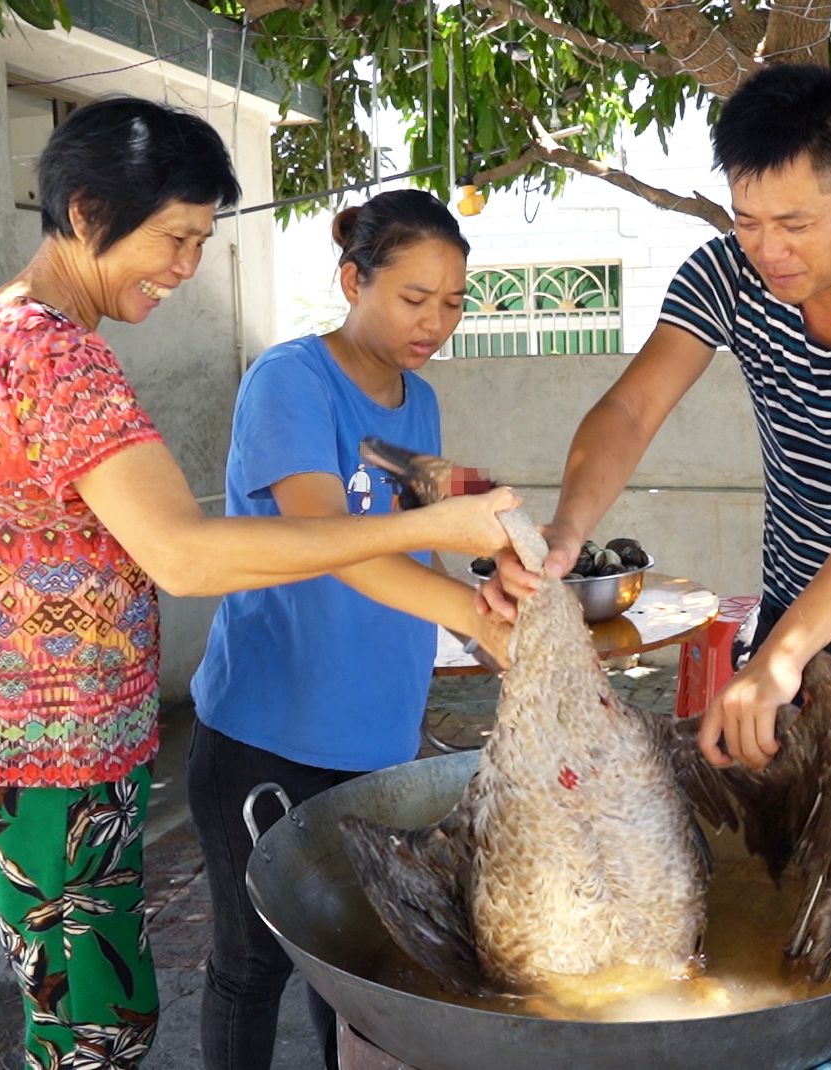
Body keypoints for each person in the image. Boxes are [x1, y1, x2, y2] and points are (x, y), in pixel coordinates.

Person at [0, 99, 516, 1070]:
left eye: (199, 241)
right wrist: (443, 544)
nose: (186, 269)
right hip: (57, 748)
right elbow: (181, 554)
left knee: (65, 996)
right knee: (101, 1016)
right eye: (175, 238)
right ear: (89, 211)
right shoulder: (64, 362)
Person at [482, 65, 831, 1070]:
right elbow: (628, 410)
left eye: (794, 222)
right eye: (748, 220)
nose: (769, 250)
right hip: (790, 630)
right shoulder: (724, 275)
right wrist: (567, 535)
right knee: (780, 877)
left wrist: (784, 656)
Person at [185, 188, 503, 1070]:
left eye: (453, 302)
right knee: (254, 966)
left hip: (379, 741)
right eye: (413, 298)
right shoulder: (290, 381)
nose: (435, 321)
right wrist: (473, 613)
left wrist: (505, 605)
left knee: (360, 969)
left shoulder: (420, 403)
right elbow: (331, 543)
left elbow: (431, 541)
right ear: (352, 279)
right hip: (267, 736)